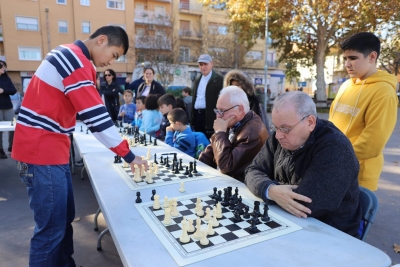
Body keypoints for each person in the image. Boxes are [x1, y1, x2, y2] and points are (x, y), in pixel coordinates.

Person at [12, 25, 148, 266]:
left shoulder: (66, 52)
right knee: (50, 231)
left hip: (39, 153)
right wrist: (128, 155)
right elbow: (96, 116)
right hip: (42, 154)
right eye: (114, 54)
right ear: (101, 40)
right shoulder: (76, 60)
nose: (110, 62)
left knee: (61, 221)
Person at [245, 91, 361, 237]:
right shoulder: (278, 137)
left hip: (330, 234)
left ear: (310, 122)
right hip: (289, 223)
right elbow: (252, 170)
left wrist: (269, 190)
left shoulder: (336, 148)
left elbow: (305, 205)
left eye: (285, 129)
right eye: (275, 127)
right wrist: (270, 189)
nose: (279, 135)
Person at [329, 32, 398, 191]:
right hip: (333, 168)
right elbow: (330, 124)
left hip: (359, 178)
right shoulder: (346, 86)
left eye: (353, 58)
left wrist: (333, 158)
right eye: (345, 58)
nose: (347, 64)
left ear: (372, 57)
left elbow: (372, 143)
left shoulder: (384, 92)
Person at [199, 86, 268, 182]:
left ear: (240, 109)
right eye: (217, 110)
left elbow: (226, 166)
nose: (218, 115)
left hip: (239, 189)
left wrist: (219, 132)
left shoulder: (253, 133)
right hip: (225, 182)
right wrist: (197, 168)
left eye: (222, 111)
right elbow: (208, 155)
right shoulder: (232, 122)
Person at [224, 69, 270, 133]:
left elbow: (254, 122)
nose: (234, 87)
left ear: (243, 86)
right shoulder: (229, 102)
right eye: (232, 85)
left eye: (237, 85)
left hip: (248, 136)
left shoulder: (251, 101)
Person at [191, 54, 224, 138]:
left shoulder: (219, 79)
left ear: (211, 64)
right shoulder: (197, 80)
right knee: (199, 144)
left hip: (210, 118)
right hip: (197, 116)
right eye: (201, 65)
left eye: (205, 64)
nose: (203, 67)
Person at [0, 60, 17, 158]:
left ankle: (12, 147)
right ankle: (0, 150)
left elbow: (13, 90)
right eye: (2, 66)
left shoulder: (7, 78)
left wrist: (3, 90)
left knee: (13, 127)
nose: (4, 68)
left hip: (8, 106)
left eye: (4, 66)